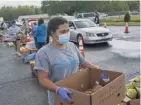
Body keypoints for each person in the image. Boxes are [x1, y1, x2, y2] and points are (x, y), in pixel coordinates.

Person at [34, 17, 99, 105]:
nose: (67, 33)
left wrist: (97, 69)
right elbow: (42, 79)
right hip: (60, 97)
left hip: (77, 92)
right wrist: (57, 89)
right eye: (63, 31)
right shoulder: (43, 53)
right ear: (53, 33)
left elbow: (83, 62)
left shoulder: (72, 46)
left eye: (68, 30)